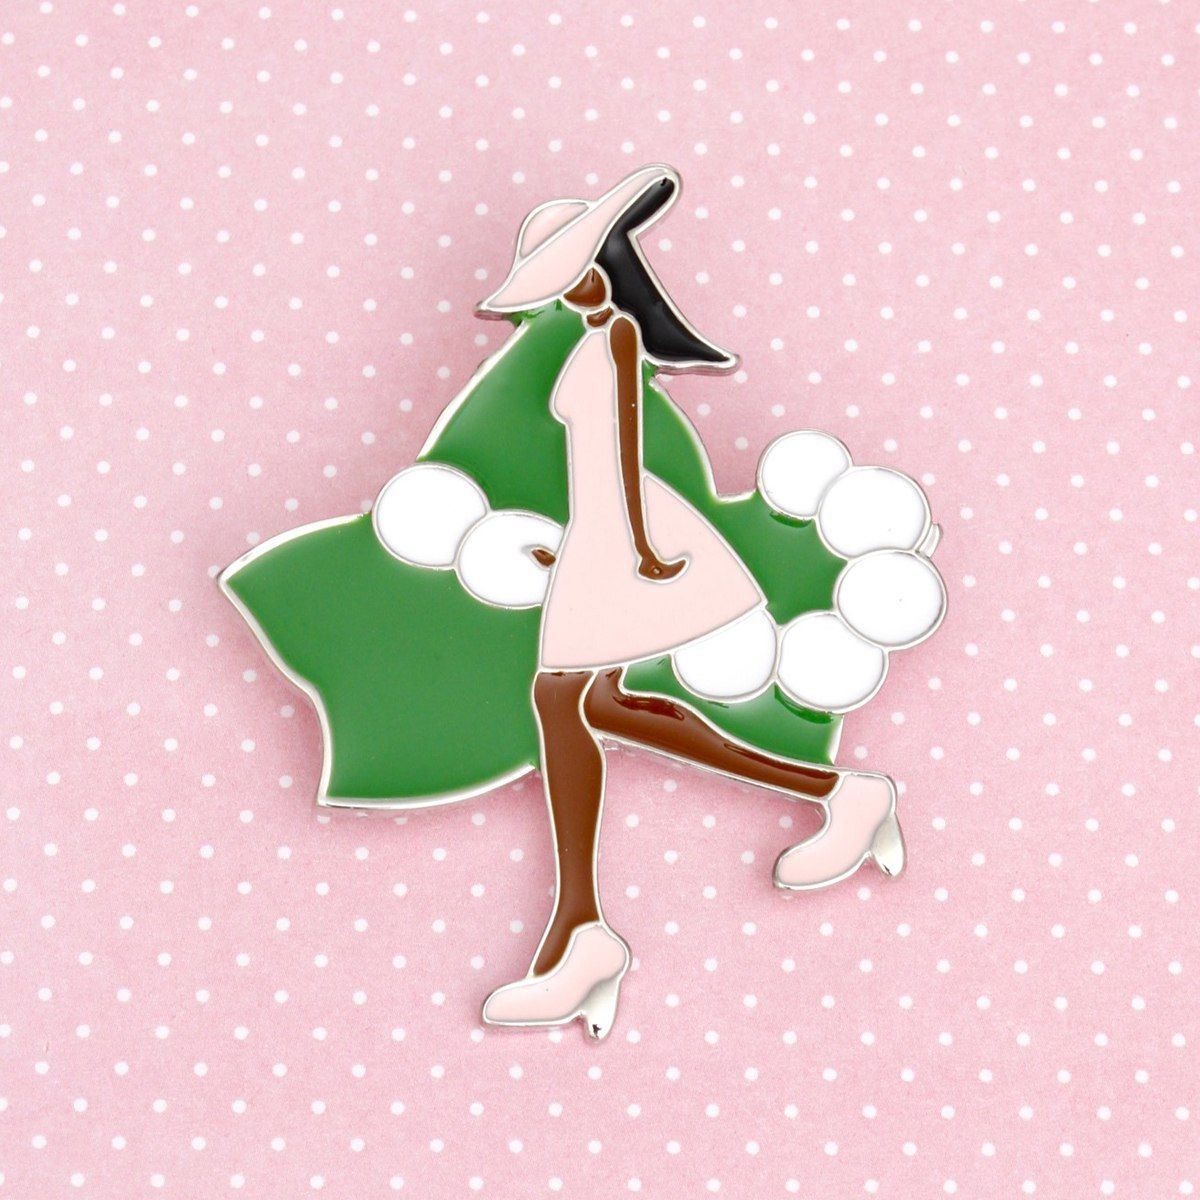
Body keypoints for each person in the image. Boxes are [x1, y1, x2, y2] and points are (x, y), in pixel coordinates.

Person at [476, 166, 904, 1039]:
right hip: (599, 533)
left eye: (571, 271)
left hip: (624, 531)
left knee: (559, 701)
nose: (563, 291)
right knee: (598, 706)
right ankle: (841, 792)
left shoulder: (615, 339)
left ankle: (580, 933)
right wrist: (577, 548)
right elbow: (593, 466)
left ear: (602, 266)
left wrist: (636, 550)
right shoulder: (592, 340)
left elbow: (624, 453)